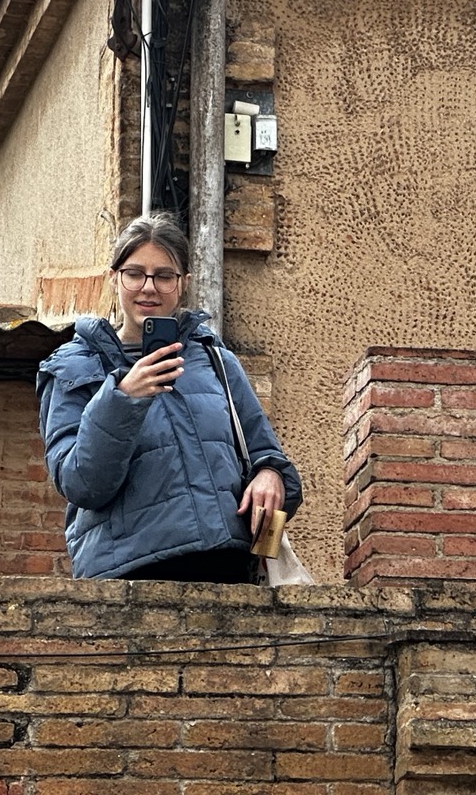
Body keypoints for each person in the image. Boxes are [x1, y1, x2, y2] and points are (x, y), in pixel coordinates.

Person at [38, 213, 302, 581]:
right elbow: (81, 485)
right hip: (128, 577)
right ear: (114, 278)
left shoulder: (214, 359)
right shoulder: (73, 367)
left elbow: (265, 452)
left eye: (164, 276)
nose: (149, 287)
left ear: (183, 284)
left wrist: (270, 475)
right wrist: (121, 398)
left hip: (227, 571)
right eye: (134, 274)